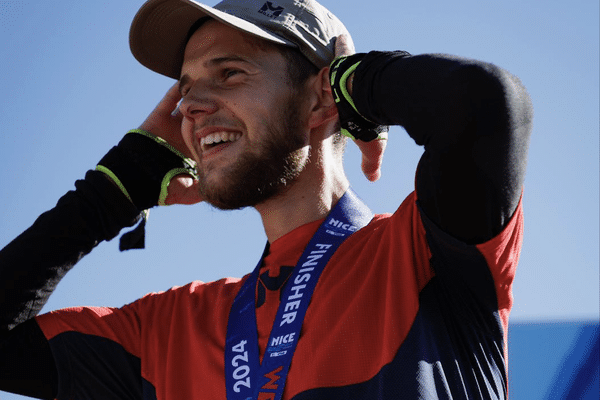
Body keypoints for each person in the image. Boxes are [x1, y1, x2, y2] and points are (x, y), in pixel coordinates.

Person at [0, 0, 533, 398]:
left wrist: (360, 83)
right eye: (186, 89)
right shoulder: (170, 330)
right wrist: (115, 189)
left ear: (322, 98)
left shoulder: (422, 253)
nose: (191, 107)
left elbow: (484, 103)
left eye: (229, 73)